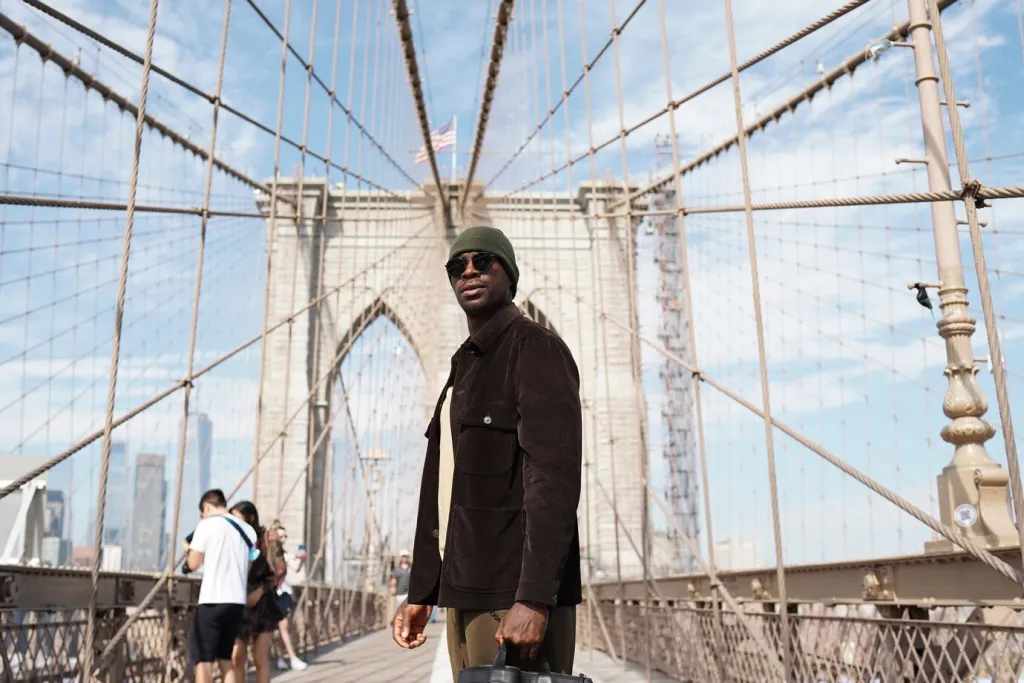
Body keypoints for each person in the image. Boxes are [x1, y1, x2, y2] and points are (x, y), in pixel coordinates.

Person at [392, 226, 583, 678]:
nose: (469, 272)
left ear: (509, 273)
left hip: (512, 600)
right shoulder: (465, 367)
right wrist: (424, 590)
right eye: (458, 266)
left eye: (484, 262)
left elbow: (553, 482)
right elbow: (444, 490)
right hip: (465, 596)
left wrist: (534, 598)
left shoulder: (536, 349)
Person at [185, 489, 258, 683]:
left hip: (212, 600)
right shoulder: (248, 531)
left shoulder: (206, 525)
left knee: (203, 660)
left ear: (207, 507)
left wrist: (188, 554)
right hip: (236, 602)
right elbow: (248, 565)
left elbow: (193, 564)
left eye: (202, 512)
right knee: (226, 659)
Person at [228, 501, 279, 683]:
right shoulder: (229, 540)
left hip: (263, 604)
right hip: (237, 604)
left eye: (237, 517)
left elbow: (279, 571)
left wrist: (260, 591)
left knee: (259, 658)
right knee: (236, 657)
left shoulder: (266, 539)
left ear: (250, 518)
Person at [266, 523, 308, 671]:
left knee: (283, 627)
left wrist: (302, 559)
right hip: (269, 595)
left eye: (285, 536)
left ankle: (284, 658)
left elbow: (295, 568)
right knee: (277, 628)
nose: (283, 539)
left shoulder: (283, 554)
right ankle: (288, 658)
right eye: (281, 536)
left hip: (281, 594)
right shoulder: (267, 554)